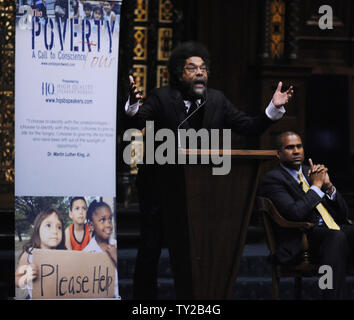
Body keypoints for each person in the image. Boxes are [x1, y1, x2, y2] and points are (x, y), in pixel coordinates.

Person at [124, 41, 293, 299]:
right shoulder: (161, 97)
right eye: (192, 68)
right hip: (159, 190)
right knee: (150, 249)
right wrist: (133, 106)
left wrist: (273, 109)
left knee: (196, 251)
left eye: (203, 68)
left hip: (201, 194)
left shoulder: (217, 100)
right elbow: (139, 121)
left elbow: (248, 127)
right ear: (180, 74)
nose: (200, 73)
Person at [258, 131, 354, 299]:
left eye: (299, 146)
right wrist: (316, 187)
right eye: (289, 147)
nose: (296, 151)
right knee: (336, 238)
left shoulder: (310, 172)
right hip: (301, 241)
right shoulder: (273, 179)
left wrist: (329, 187)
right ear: (278, 154)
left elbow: (343, 214)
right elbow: (296, 213)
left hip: (328, 234)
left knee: (343, 234)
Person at [15, 208, 66, 299]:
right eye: (48, 225)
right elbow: (17, 280)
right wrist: (26, 278)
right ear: (38, 229)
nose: (55, 231)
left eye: (59, 227)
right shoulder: (28, 254)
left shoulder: (64, 254)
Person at [84, 200, 120, 299]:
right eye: (102, 220)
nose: (108, 224)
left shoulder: (116, 246)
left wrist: (115, 257)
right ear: (91, 225)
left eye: (110, 219)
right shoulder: (86, 254)